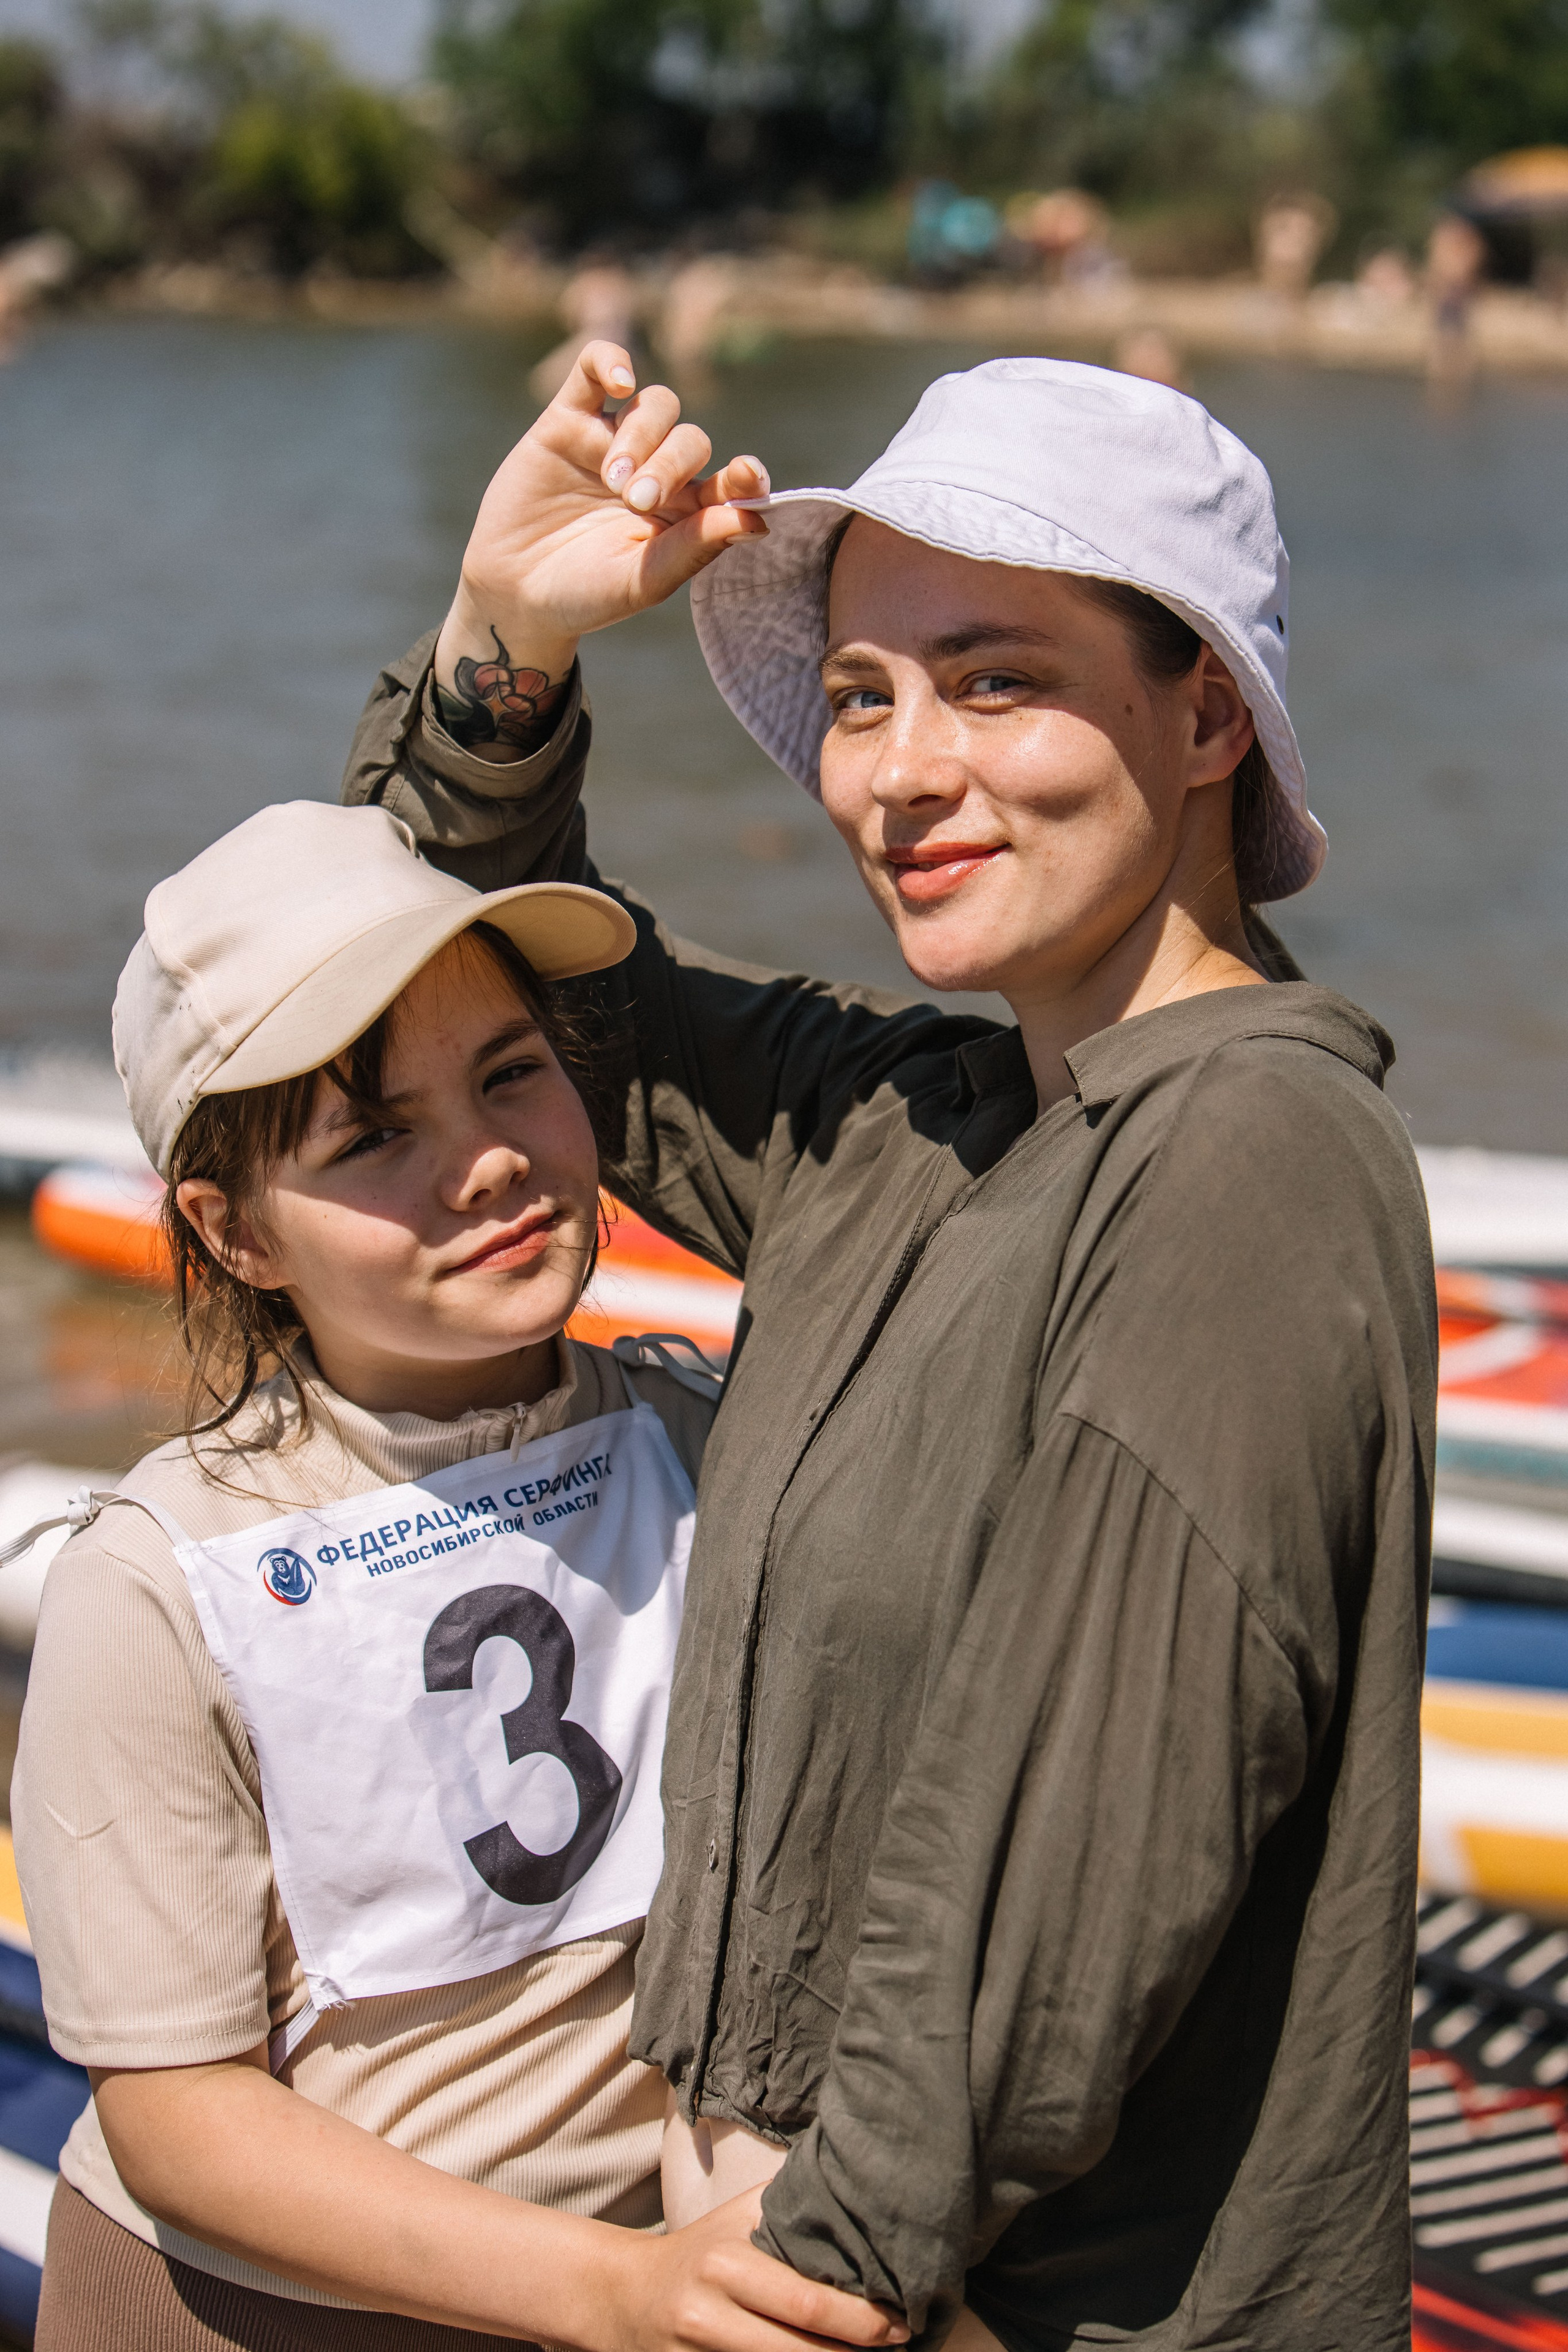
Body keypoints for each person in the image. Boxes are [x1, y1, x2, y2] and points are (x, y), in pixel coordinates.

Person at [342, 345, 1436, 2352]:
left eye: (995, 681)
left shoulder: (1251, 1155)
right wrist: (506, 647)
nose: (899, 772)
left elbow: (1057, 1898)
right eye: (860, 695)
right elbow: (475, 990)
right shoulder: (898, 1128)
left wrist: (813, 2274)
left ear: (1207, 715)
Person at [10, 802, 905, 2352]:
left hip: (656, 2282)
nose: (488, 1161)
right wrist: (613, 2293)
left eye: (510, 1072)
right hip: (259, 2312)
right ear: (233, 1233)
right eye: (373, 1137)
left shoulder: (710, 1439)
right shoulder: (162, 1584)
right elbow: (177, 2116)